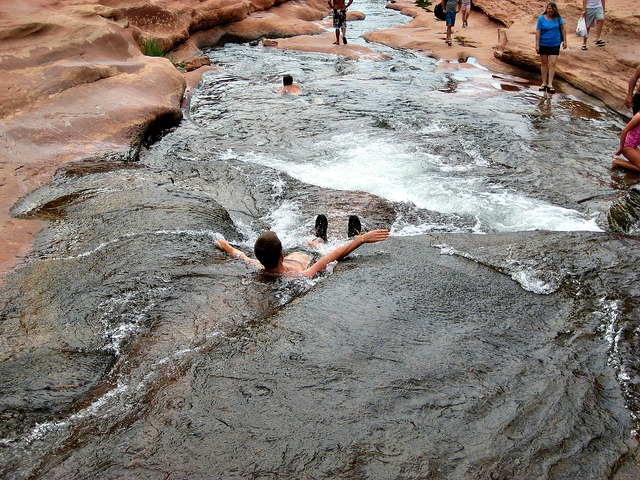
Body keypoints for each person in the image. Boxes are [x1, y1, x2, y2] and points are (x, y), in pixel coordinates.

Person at [213, 214, 390, 278]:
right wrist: (362, 240)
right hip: (311, 258)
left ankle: (320, 236)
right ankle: (353, 236)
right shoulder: (299, 274)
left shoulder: (258, 264)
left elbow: (239, 254)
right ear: (281, 254)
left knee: (309, 243)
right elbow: (331, 257)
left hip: (296, 252)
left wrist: (225, 246)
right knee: (329, 252)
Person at [535, 2, 567, 94]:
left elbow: (563, 29)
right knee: (544, 63)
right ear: (546, 9)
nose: (550, 10)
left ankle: (550, 84)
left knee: (552, 63)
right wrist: (537, 44)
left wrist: (565, 41)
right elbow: (538, 32)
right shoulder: (541, 18)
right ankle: (544, 83)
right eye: (549, 8)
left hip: (555, 43)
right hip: (543, 43)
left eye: (552, 9)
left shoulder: (558, 18)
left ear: (555, 9)